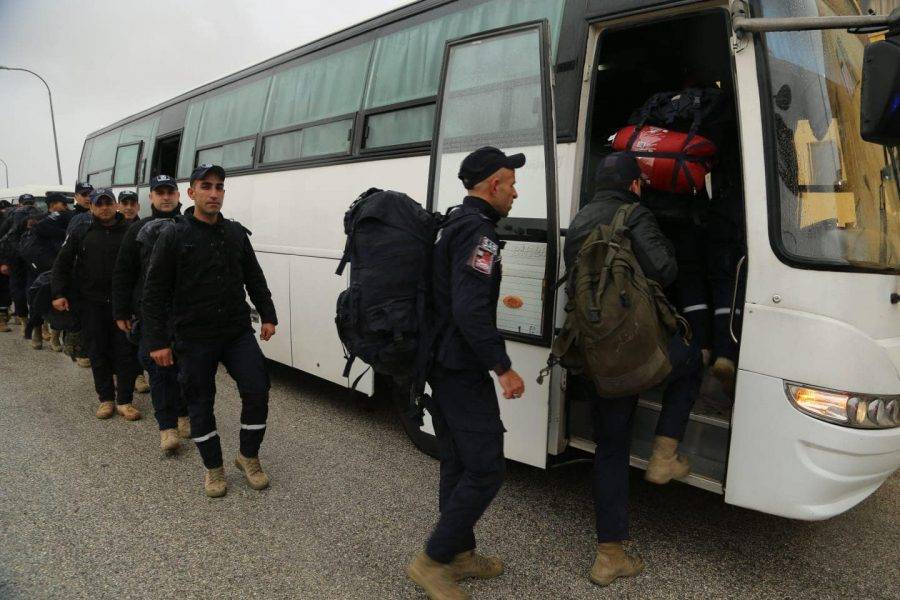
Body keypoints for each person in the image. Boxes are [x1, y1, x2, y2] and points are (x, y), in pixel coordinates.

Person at [565, 153, 702, 587]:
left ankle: (609, 555)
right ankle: (664, 455)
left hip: (597, 352)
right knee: (691, 360)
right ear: (634, 185)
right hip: (635, 347)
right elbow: (665, 269)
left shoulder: (580, 220)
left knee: (610, 447)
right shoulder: (635, 214)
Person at [407, 147, 526, 600]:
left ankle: (459, 553)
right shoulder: (480, 234)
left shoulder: (454, 222)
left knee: (457, 460)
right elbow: (470, 310)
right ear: (493, 184)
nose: (515, 193)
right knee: (487, 467)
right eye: (511, 184)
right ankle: (432, 561)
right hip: (460, 367)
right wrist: (503, 367)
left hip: (439, 362)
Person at [143, 164, 277, 498]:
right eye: (206, 186)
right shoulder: (173, 235)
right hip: (193, 336)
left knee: (257, 388)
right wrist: (157, 341)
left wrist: (268, 315)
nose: (213, 193)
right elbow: (154, 292)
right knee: (201, 402)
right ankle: (213, 467)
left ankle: (248, 456)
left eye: (219, 187)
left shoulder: (235, 233)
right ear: (191, 193)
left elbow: (254, 277)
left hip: (235, 331)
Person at [113, 174, 189, 453]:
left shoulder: (189, 226)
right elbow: (124, 271)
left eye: (170, 192)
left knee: (185, 369)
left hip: (185, 313)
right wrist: (121, 309)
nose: (166, 197)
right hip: (151, 313)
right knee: (158, 370)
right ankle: (167, 428)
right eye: (160, 193)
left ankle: (183, 414)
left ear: (178, 196)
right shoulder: (138, 230)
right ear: (152, 197)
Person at [51, 188, 142, 421]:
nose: (104, 208)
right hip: (91, 304)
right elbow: (62, 264)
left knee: (125, 353)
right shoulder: (81, 231)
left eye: (108, 203)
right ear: (91, 207)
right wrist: (58, 293)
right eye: (98, 204)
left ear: (116, 205)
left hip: (123, 305)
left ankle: (124, 401)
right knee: (98, 351)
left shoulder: (131, 232)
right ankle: (106, 399)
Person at [22, 192, 72, 350]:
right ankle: (37, 331)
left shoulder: (66, 217)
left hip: (58, 265)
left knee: (59, 299)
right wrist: (63, 233)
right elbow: (39, 229)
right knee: (37, 300)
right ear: (53, 205)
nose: (65, 206)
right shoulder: (41, 219)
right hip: (38, 266)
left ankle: (55, 335)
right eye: (62, 203)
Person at [0, 194, 39, 332]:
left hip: (30, 258)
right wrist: (3, 262)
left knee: (29, 289)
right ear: (19, 204)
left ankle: (26, 319)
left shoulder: (37, 214)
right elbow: (3, 239)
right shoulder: (12, 217)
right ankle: (19, 318)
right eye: (26, 203)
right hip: (15, 258)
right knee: (15, 289)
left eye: (30, 203)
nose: (28, 205)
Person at [66, 182, 94, 368]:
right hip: (78, 274)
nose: (88, 197)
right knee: (79, 315)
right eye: (84, 194)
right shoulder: (73, 218)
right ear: (76, 197)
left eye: (90, 194)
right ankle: (80, 351)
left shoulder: (101, 215)